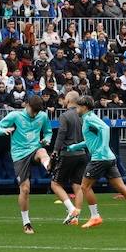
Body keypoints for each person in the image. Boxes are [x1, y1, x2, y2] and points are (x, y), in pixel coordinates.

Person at [71, 95, 126, 229]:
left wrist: (103, 147)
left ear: (84, 107)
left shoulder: (89, 118)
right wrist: (75, 146)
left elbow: (105, 129)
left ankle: (95, 217)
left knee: (84, 187)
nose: (76, 109)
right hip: (109, 158)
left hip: (99, 158)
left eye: (77, 106)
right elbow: (92, 140)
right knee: (121, 187)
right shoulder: (89, 118)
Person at [0, 95, 53, 235]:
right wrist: (4, 131)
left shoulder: (42, 116)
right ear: (27, 105)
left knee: (42, 151)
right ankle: (26, 223)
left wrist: (47, 139)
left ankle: (49, 165)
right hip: (19, 155)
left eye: (38, 111)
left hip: (35, 149)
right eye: (34, 111)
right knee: (25, 189)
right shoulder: (15, 116)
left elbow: (48, 132)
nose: (35, 114)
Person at [47, 91, 85, 226]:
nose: (62, 101)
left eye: (63, 99)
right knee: (78, 185)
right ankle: (76, 218)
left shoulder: (65, 116)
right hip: (82, 153)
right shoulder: (83, 116)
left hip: (68, 153)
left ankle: (71, 210)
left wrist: (55, 151)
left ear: (68, 100)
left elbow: (61, 135)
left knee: (55, 184)